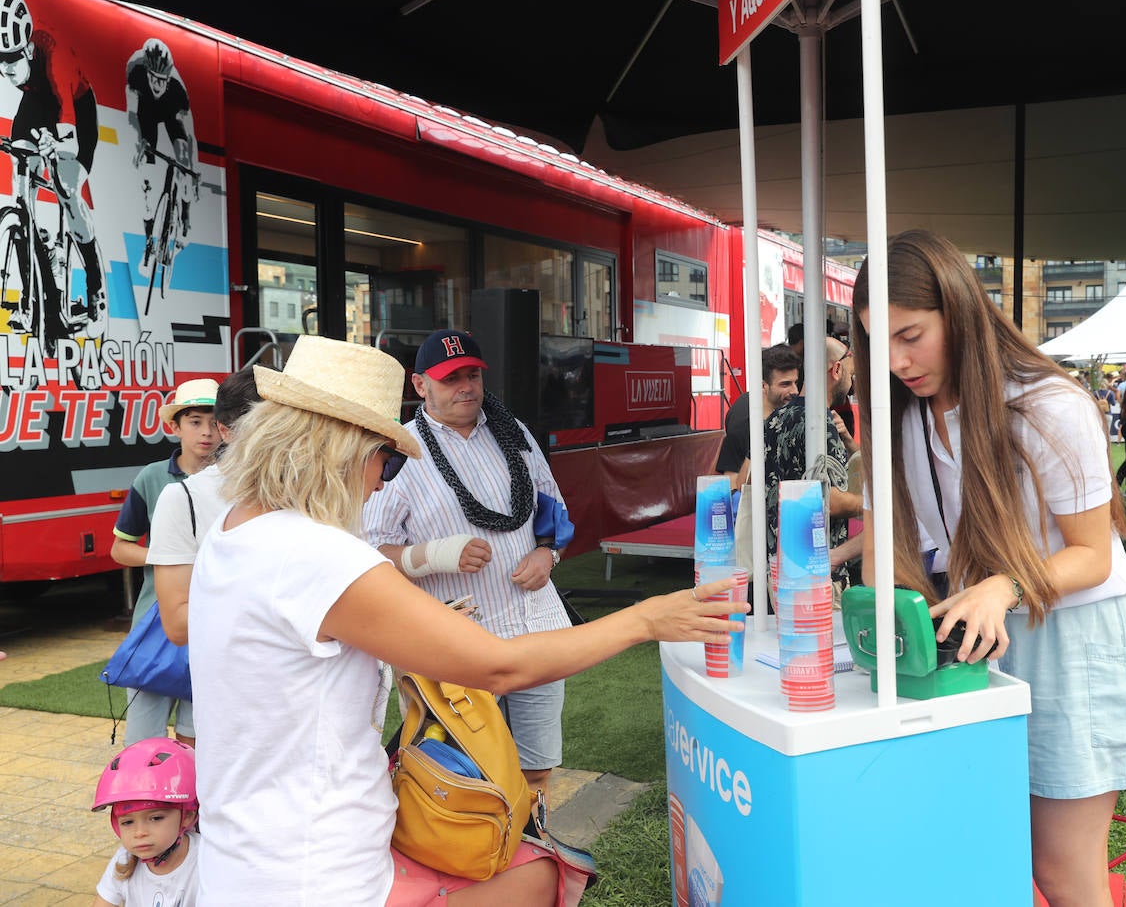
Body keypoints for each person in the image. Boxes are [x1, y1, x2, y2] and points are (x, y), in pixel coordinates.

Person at [187, 335, 743, 903]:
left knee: (536, 858)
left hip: (246, 858)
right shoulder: (317, 556)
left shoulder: (232, 530)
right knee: (543, 878)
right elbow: (498, 666)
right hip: (321, 871)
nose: (384, 479)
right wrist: (645, 619)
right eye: (389, 457)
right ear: (341, 448)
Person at [852, 230, 1126, 907]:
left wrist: (1002, 583)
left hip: (1072, 633)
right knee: (977, 843)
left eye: (911, 335)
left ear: (958, 310)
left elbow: (1093, 555)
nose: (897, 360)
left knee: (1061, 872)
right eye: (879, 342)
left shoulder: (1050, 404)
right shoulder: (902, 419)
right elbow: (895, 542)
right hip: (976, 636)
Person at [361, 330, 569, 803]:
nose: (466, 386)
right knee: (459, 777)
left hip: (535, 627)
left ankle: (535, 861)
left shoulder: (511, 432)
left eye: (472, 374)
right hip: (455, 643)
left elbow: (552, 506)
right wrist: (433, 555)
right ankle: (473, 871)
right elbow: (369, 555)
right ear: (420, 386)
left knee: (537, 769)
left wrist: (547, 554)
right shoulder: (398, 450)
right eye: (450, 378)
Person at [111, 378, 221, 746]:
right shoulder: (152, 477)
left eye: (214, 421)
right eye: (194, 421)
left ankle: (191, 806)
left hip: (210, 623)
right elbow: (120, 548)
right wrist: (172, 558)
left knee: (198, 739)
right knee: (143, 744)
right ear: (174, 426)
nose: (206, 432)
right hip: (154, 622)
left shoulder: (236, 480)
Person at [0, 0, 106, 330]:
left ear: (28, 50)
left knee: (66, 186)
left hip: (75, 109)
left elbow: (70, 135)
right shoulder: (18, 68)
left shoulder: (55, 56)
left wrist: (55, 141)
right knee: (21, 176)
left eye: (11, 61)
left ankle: (95, 286)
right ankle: (34, 261)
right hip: (37, 103)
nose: (5, 70)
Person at [147, 366, 261, 645]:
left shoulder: (312, 490)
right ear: (228, 431)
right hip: (226, 673)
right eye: (259, 428)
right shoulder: (180, 496)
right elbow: (177, 626)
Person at [763, 336, 865, 594]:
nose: (851, 384)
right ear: (837, 369)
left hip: (779, 566)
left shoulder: (776, 418)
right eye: (850, 374)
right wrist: (873, 505)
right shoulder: (820, 422)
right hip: (818, 572)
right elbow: (829, 500)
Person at [91, 737, 200, 906]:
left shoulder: (205, 859)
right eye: (128, 822)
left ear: (187, 816)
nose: (140, 832)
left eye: (156, 818)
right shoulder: (125, 859)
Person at [126, 37, 198, 264]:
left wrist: (192, 170)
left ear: (169, 78)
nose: (157, 85)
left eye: (161, 81)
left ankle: (185, 216)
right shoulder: (134, 70)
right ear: (146, 72)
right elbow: (131, 115)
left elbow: (189, 134)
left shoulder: (178, 89)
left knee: (185, 163)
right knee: (145, 181)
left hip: (172, 114)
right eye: (153, 79)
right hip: (146, 112)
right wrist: (139, 145)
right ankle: (149, 241)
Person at [714, 342, 799, 491]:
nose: (795, 390)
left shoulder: (791, 414)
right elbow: (735, 487)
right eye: (785, 384)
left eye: (795, 383)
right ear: (763, 386)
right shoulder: (743, 423)